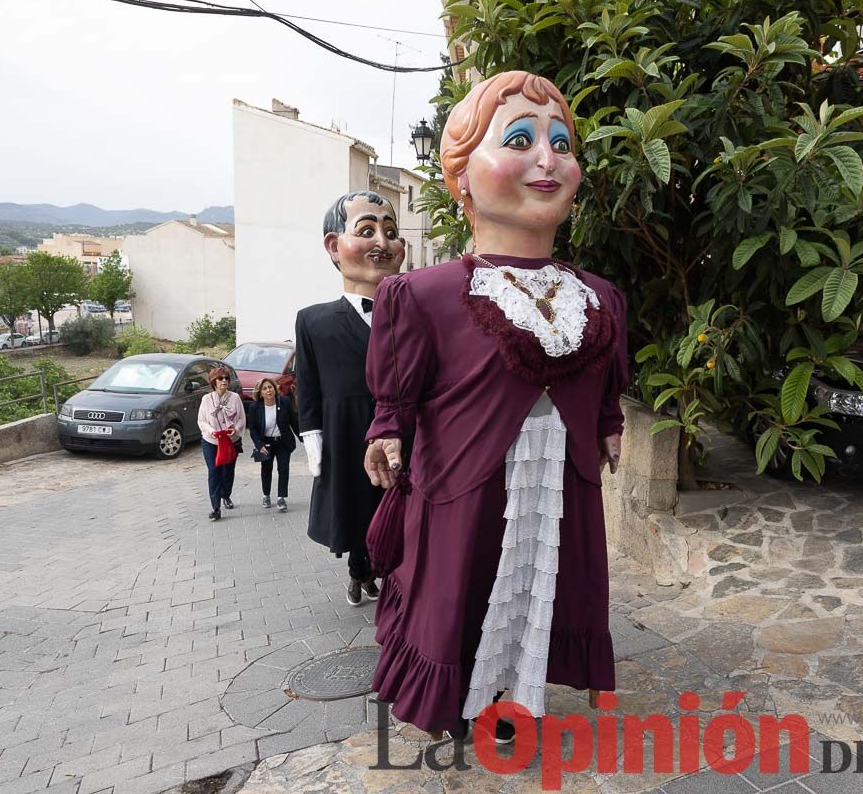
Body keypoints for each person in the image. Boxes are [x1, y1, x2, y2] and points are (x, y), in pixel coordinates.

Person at [362, 70, 628, 739]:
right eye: (519, 139)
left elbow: (604, 384)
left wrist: (607, 424)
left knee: (540, 586)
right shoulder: (420, 294)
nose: (548, 159)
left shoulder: (599, 295)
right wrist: (388, 429)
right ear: (461, 175)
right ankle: (459, 698)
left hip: (555, 480)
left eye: (562, 144)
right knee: (466, 583)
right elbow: (399, 388)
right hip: (465, 480)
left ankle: (512, 689)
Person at [295, 191, 405, 607]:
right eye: (366, 230)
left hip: (399, 428)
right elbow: (308, 382)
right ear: (333, 246)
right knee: (356, 506)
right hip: (345, 428)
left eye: (390, 232)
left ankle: (392, 572)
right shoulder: (314, 320)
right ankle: (360, 571)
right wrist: (312, 435)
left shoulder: (413, 314)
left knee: (394, 502)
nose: (382, 242)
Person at [197, 366, 245, 521]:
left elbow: (242, 418)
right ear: (214, 382)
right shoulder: (207, 399)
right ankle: (215, 507)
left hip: (231, 441)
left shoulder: (235, 398)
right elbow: (202, 420)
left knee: (228, 471)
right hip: (211, 441)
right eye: (220, 378)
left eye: (226, 378)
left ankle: (226, 495)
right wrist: (211, 431)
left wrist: (235, 429)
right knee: (214, 471)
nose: (224, 381)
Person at [247, 377, 299, 512]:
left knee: (283, 469)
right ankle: (266, 495)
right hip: (266, 443)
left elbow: (294, 422)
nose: (268, 390)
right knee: (266, 470)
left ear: (274, 389)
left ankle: (281, 497)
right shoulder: (255, 407)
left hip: (282, 442)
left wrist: (304, 438)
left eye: (270, 387)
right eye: (264, 388)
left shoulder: (285, 402)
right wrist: (259, 445)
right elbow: (252, 429)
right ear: (260, 393)